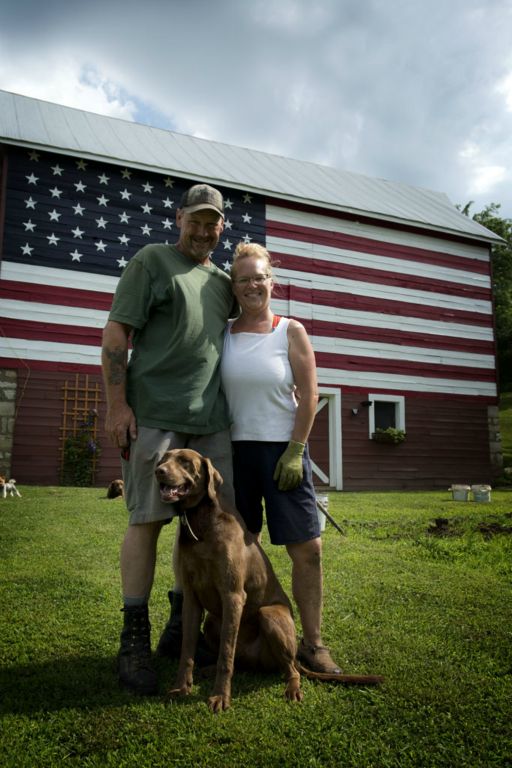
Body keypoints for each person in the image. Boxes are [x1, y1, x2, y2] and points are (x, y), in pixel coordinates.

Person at [101, 183, 237, 695]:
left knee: (204, 525)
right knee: (148, 521)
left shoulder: (223, 282)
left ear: (222, 228)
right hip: (155, 414)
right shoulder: (152, 261)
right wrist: (118, 406)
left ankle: (181, 629)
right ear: (178, 219)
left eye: (212, 223)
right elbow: (116, 335)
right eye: (195, 220)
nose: (203, 231)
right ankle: (133, 636)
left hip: (212, 422)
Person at [220, 242, 341, 674]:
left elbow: (309, 395)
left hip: (283, 451)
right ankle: (235, 639)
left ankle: (313, 644)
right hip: (235, 454)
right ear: (233, 287)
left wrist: (296, 450)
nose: (253, 284)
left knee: (308, 549)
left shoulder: (290, 330)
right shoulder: (223, 334)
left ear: (272, 281)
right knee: (238, 552)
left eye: (259, 277)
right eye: (244, 278)